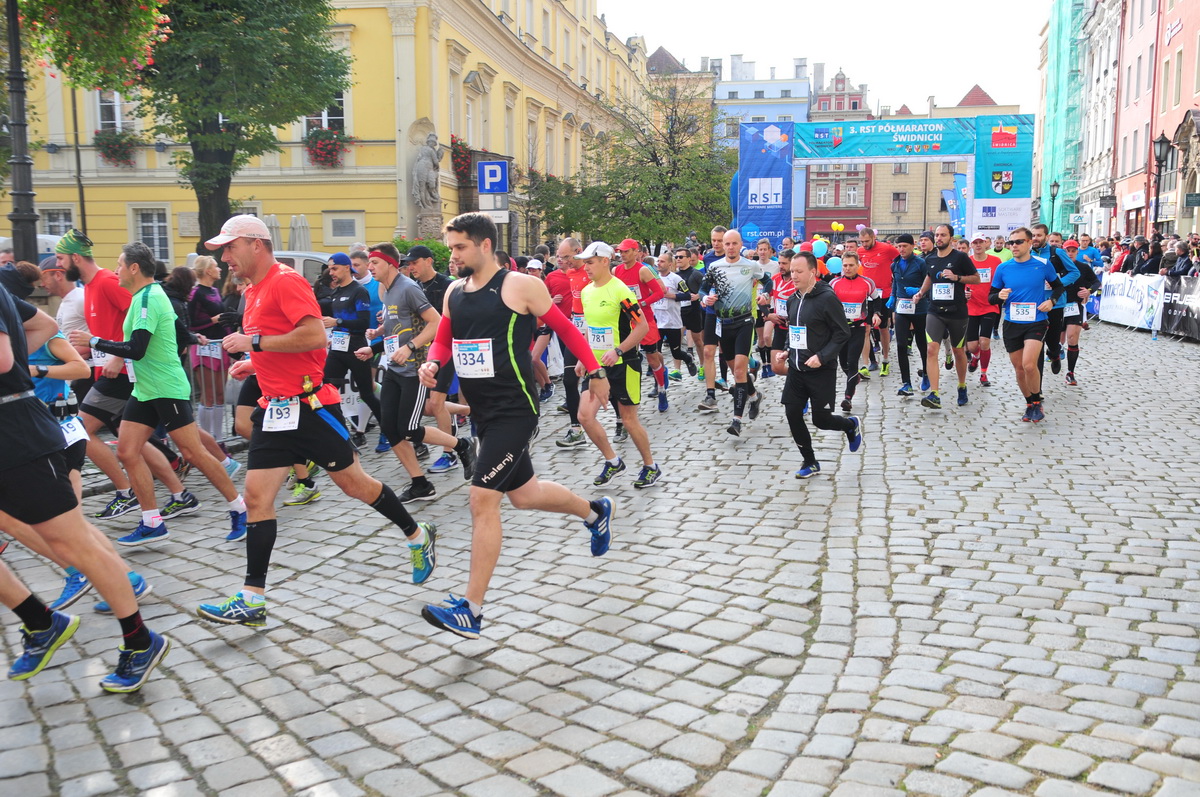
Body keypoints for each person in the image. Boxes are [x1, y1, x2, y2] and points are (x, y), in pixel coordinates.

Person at [194, 215, 435, 627]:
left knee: (355, 485)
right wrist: (255, 363)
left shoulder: (286, 282)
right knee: (256, 498)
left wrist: (252, 343)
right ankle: (252, 597)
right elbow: (282, 345)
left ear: (256, 244)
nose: (225, 257)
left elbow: (314, 337)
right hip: (275, 408)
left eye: (230, 248)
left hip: (312, 408)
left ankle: (417, 534)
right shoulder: (253, 291)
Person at [418, 213, 614, 640]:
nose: (452, 257)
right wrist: (433, 361)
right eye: (450, 248)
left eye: (459, 248)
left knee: (482, 498)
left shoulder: (519, 286)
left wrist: (595, 371)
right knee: (524, 496)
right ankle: (594, 512)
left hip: (515, 409)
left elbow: (566, 330)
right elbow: (445, 338)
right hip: (483, 412)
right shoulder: (454, 292)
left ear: (485, 245)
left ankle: (471, 609)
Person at [0, 282, 169, 692]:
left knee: (75, 543)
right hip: (18, 427)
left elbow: (4, 359)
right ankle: (41, 622)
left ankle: (140, 640)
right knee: (70, 540)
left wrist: (27, 370)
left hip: (14, 434)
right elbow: (41, 324)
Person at [69, 243, 249, 545]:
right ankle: (152, 523)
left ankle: (240, 509)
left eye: (119, 264)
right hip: (145, 390)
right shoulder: (150, 295)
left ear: (134, 268)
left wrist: (94, 340)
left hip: (165, 388)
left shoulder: (147, 300)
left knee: (193, 453)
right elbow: (178, 331)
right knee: (127, 451)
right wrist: (194, 337)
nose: (115, 271)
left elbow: (136, 349)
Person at [55, 230, 193, 523]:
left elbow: (142, 315)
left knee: (82, 429)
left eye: (60, 258)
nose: (57, 264)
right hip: (111, 369)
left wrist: (116, 355)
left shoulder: (108, 282)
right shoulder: (91, 286)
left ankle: (126, 492)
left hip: (124, 371)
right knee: (132, 443)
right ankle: (179, 494)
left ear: (74, 258)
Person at [358, 242, 474, 501]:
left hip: (417, 370)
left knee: (409, 429)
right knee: (390, 428)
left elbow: (437, 323)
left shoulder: (408, 288)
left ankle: (461, 445)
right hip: (393, 369)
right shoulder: (384, 289)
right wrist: (375, 347)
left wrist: (411, 347)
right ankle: (420, 483)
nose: (369, 268)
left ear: (389, 263)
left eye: (374, 263)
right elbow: (395, 329)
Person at [769, 251, 862, 478]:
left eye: (799, 271)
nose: (794, 275)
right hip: (797, 369)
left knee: (821, 420)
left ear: (813, 272)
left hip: (821, 369)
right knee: (792, 412)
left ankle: (850, 426)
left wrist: (822, 356)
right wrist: (788, 351)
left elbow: (842, 333)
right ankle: (810, 461)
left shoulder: (827, 298)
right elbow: (796, 332)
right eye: (792, 271)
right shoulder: (792, 299)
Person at [575, 241, 659, 486]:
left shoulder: (621, 290)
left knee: (629, 419)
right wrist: (584, 357)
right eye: (584, 263)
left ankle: (650, 466)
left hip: (625, 363)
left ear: (604, 261)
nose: (586, 267)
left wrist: (618, 350)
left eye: (590, 262)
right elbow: (591, 328)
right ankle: (613, 461)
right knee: (584, 416)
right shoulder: (587, 291)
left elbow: (642, 326)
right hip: (597, 367)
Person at [988, 227, 1066, 422]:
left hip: (1037, 322)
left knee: (1029, 365)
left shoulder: (1043, 264)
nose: (1014, 246)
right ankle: (1029, 403)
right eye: (1011, 242)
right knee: (1020, 369)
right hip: (1012, 323)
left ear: (1029, 243)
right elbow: (991, 297)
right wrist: (999, 296)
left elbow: (1058, 287)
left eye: (1018, 242)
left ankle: (1037, 401)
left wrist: (1051, 302)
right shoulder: (1003, 268)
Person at [700, 229, 770, 436]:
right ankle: (754, 395)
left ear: (741, 245)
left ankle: (736, 420)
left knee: (739, 371)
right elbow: (704, 289)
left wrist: (765, 294)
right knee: (735, 371)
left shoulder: (751, 266)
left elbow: (768, 281)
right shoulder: (714, 266)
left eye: (734, 243)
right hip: (723, 323)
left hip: (744, 322)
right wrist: (705, 299)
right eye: (726, 243)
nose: (730, 247)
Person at [403, 245, 463, 473]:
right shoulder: (414, 286)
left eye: (414, 263)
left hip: (445, 351)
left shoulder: (448, 285)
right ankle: (465, 412)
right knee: (428, 407)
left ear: (428, 261)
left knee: (436, 403)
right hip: (421, 355)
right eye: (408, 264)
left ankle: (450, 454)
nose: (410, 267)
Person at [320, 252, 385, 452]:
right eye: (330, 268)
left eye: (334, 268)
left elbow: (363, 322)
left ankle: (389, 430)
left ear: (346, 267)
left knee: (366, 392)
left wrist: (337, 322)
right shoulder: (337, 291)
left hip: (356, 348)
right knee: (327, 390)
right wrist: (334, 334)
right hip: (338, 349)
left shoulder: (358, 291)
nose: (331, 272)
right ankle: (340, 434)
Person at [917, 224, 980, 409]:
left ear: (951, 238)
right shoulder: (930, 258)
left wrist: (957, 278)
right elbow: (929, 276)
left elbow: (976, 278)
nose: (939, 238)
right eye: (937, 235)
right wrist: (921, 293)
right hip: (935, 310)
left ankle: (961, 386)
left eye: (943, 235)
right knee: (931, 349)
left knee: (958, 351)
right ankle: (934, 394)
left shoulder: (960, 257)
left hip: (957, 312)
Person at [613, 239, 669, 412]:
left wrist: (643, 303)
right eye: (620, 252)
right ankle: (631, 396)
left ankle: (661, 389)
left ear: (636, 252)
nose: (622, 255)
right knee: (629, 358)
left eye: (626, 251)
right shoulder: (616, 270)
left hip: (643, 318)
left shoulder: (643, 270)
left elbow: (660, 292)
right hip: (625, 320)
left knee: (652, 358)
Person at [828, 252, 880, 413]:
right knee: (843, 363)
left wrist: (877, 314)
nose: (848, 268)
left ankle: (847, 398)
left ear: (858, 266)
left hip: (859, 327)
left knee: (852, 361)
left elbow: (877, 300)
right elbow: (826, 303)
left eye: (851, 265)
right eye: (845, 265)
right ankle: (855, 378)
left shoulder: (867, 283)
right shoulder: (834, 283)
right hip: (840, 329)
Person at [889, 234, 929, 397]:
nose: (901, 249)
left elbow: (929, 284)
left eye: (905, 246)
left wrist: (920, 291)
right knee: (900, 345)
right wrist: (893, 296)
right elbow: (895, 282)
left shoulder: (921, 263)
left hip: (919, 308)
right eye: (899, 246)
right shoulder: (895, 264)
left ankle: (927, 373)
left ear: (913, 246)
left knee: (921, 343)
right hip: (902, 308)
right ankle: (907, 383)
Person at [855, 228, 897, 376]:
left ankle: (885, 360)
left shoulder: (887, 249)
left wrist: (894, 280)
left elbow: (899, 262)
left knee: (883, 328)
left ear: (874, 237)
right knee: (865, 329)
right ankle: (865, 365)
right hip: (867, 295)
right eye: (862, 242)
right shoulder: (860, 251)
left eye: (867, 241)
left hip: (884, 294)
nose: (864, 244)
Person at [651, 250, 697, 385]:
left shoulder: (676, 279)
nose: (659, 263)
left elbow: (688, 295)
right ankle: (658, 384)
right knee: (655, 354)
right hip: (657, 322)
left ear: (670, 264)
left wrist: (672, 296)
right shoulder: (653, 279)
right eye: (658, 261)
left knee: (676, 353)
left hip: (673, 323)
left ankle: (688, 359)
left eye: (662, 261)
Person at [1060, 240, 1100, 386]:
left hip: (1075, 306)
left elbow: (1096, 282)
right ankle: (1056, 353)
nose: (1070, 253)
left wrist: (1088, 291)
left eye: (1073, 251)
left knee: (1072, 337)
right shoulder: (1057, 267)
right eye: (1067, 251)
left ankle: (1070, 372)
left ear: (1077, 252)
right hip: (1057, 307)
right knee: (1058, 341)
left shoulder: (1083, 267)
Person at [965, 233, 1003, 387]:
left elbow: (1001, 280)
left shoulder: (996, 261)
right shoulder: (967, 262)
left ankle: (984, 374)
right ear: (971, 246)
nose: (978, 245)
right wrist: (964, 292)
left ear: (987, 244)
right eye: (975, 243)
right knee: (973, 346)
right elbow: (960, 281)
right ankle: (975, 357)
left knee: (985, 341)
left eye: (981, 242)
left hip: (989, 305)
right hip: (971, 306)